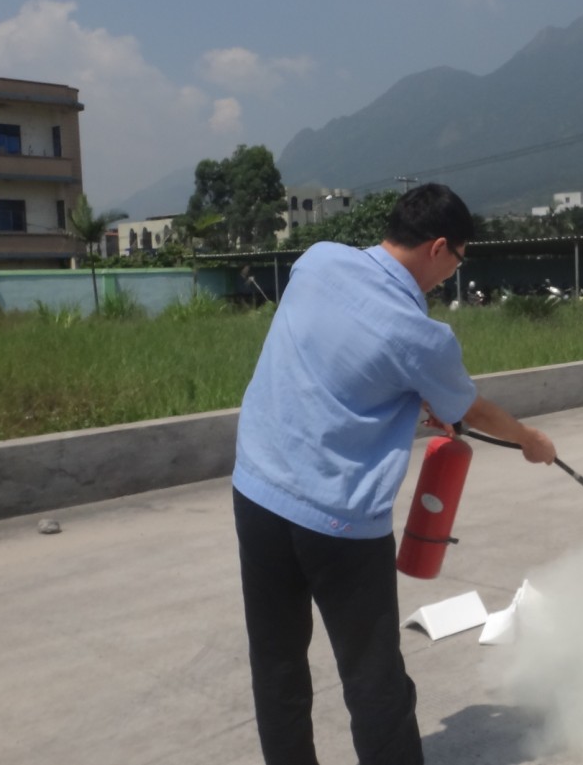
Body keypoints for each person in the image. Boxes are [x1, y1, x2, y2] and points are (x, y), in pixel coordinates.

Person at [231, 183, 556, 765]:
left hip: (257, 490)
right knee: (373, 677)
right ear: (438, 248)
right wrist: (530, 440)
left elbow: (335, 359)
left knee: (277, 662)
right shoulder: (422, 336)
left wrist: (403, 400)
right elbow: (471, 411)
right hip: (337, 521)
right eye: (457, 261)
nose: (451, 275)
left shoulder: (318, 259)